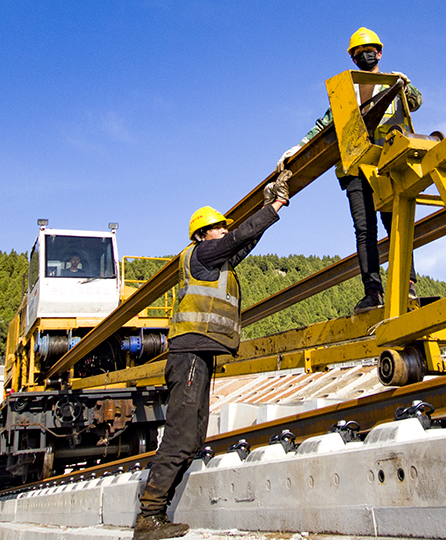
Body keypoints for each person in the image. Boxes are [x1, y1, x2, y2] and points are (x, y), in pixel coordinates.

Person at [132, 172, 290, 540]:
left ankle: (156, 513)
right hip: (189, 354)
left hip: (197, 354)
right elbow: (238, 238)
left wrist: (271, 207)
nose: (224, 231)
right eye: (219, 228)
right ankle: (149, 516)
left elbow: (242, 243)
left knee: (192, 437)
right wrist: (275, 205)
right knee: (180, 436)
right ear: (203, 234)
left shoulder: (214, 260)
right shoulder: (202, 254)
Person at [277, 27, 422, 313]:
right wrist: (300, 148)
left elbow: (415, 103)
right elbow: (325, 124)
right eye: (358, 53)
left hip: (387, 163)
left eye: (368, 51)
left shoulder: (392, 84)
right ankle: (373, 292)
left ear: (379, 53)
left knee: (396, 222)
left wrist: (406, 87)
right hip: (355, 168)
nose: (364, 55)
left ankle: (407, 285)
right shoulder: (346, 91)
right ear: (353, 59)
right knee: (364, 230)